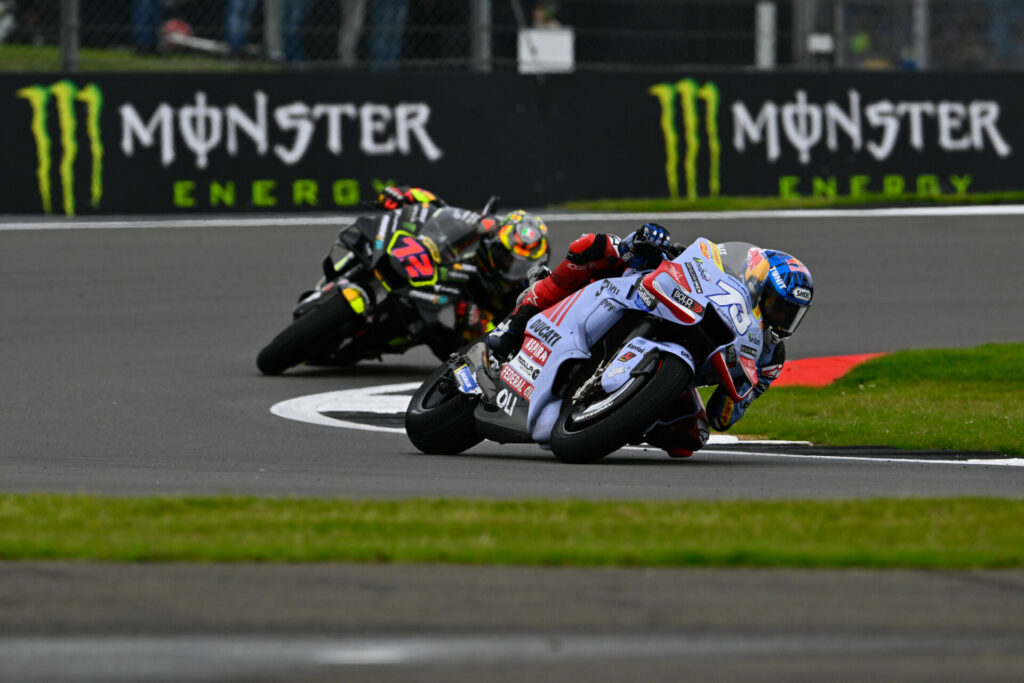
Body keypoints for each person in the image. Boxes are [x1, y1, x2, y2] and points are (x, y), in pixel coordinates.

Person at [484, 224, 814, 458]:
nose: (782, 320)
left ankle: (617, 419)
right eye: (778, 307)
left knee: (691, 438)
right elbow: (694, 261)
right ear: (757, 288)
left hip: (681, 369)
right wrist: (648, 242)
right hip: (642, 299)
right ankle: (513, 327)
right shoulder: (729, 282)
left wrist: (738, 392)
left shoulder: (770, 358)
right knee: (600, 248)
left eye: (791, 315)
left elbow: (723, 418)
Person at [374, 185, 549, 356]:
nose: (511, 267)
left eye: (520, 265)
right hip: (427, 276)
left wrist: (480, 324)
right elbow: (439, 207)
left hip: (455, 333)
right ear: (496, 244)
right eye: (507, 257)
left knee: (449, 342)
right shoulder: (483, 230)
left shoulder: (520, 290)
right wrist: (403, 194)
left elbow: (509, 333)